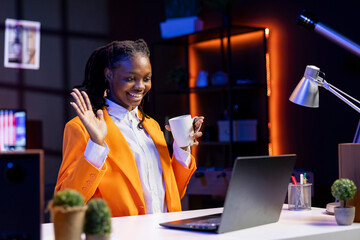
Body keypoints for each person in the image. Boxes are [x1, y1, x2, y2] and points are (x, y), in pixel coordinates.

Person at [54, 39, 204, 217]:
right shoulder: (80, 128)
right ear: (109, 75)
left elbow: (171, 195)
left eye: (146, 78)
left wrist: (182, 147)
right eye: (130, 78)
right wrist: (96, 145)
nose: (140, 86)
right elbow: (66, 203)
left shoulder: (152, 126)